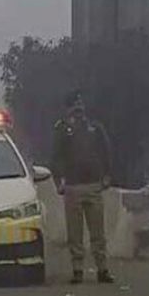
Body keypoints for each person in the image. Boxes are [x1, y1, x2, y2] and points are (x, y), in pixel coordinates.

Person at [51, 91, 115, 284]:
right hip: (72, 186)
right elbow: (56, 157)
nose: (79, 109)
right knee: (75, 233)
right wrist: (58, 181)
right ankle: (77, 269)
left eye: (80, 104)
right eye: (75, 105)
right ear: (68, 108)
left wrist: (107, 175)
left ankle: (102, 269)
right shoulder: (62, 129)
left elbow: (106, 151)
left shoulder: (95, 128)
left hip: (94, 185)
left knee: (98, 233)